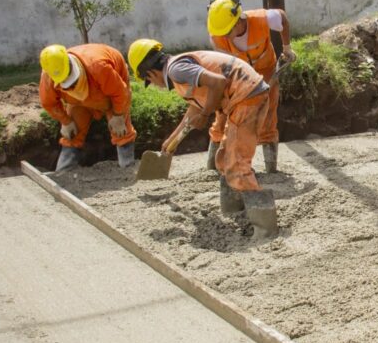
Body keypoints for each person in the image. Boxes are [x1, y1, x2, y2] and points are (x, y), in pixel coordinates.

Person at [127, 38, 278, 238]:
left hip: (247, 96)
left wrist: (206, 114)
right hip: (245, 97)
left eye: (149, 82)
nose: (154, 85)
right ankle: (237, 211)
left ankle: (266, 229)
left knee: (237, 166)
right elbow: (195, 107)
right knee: (224, 159)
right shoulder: (179, 70)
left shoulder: (176, 70)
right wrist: (172, 140)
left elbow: (218, 82)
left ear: (151, 73)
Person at [206, 0, 295, 173]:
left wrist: (286, 48)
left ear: (238, 21)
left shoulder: (262, 19)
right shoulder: (217, 36)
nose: (224, 36)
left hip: (265, 71)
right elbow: (225, 64)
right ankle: (212, 166)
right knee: (223, 114)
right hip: (236, 74)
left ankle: (271, 168)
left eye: (227, 31)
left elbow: (283, 18)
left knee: (268, 114)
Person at [38, 43, 137, 172]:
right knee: (72, 134)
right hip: (77, 102)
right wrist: (65, 121)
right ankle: (63, 172)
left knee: (120, 130)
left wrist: (118, 116)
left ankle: (127, 168)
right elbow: (49, 103)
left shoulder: (99, 67)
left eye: (72, 80)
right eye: (66, 83)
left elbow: (121, 93)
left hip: (107, 91)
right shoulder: (48, 77)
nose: (70, 85)